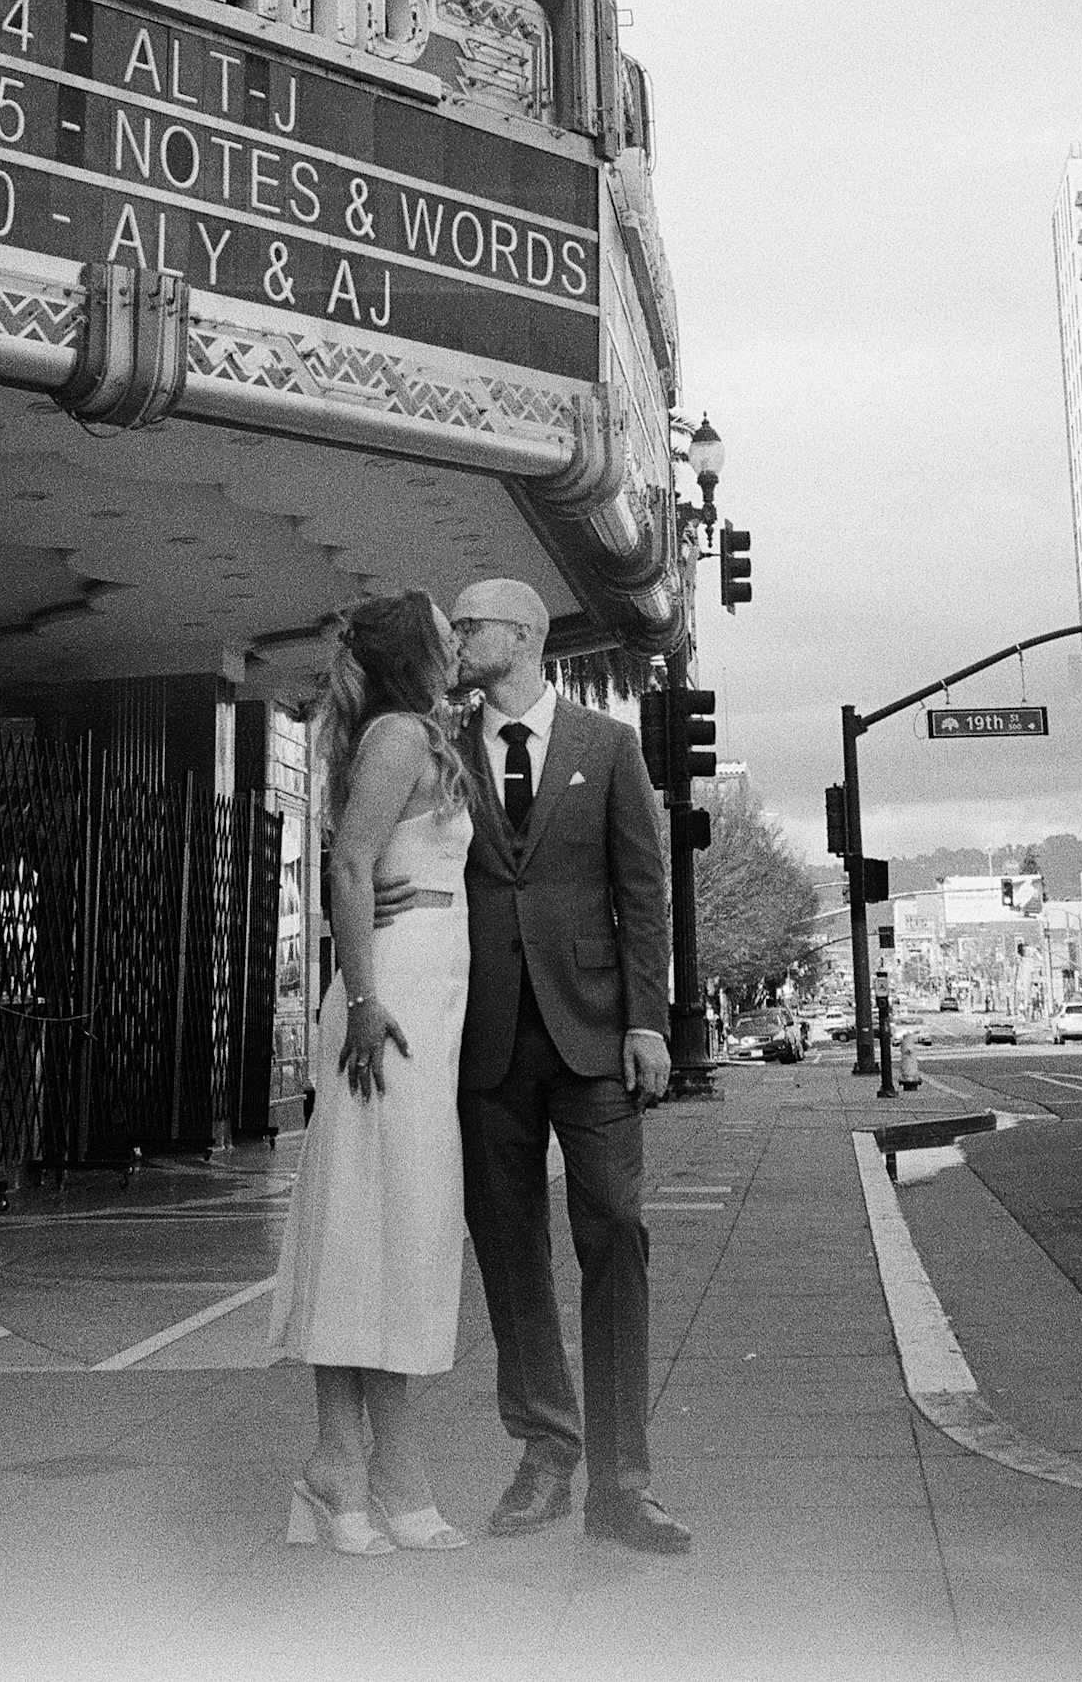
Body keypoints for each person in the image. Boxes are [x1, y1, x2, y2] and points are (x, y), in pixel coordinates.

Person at [447, 576, 691, 1556]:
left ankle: (624, 1484)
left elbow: (643, 889)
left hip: (594, 1035)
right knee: (509, 1248)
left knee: (616, 1231)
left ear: (521, 635)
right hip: (484, 1037)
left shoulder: (608, 744)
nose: (456, 639)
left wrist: (649, 1022)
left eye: (469, 626)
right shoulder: (445, 748)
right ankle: (545, 1451)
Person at [266, 591, 473, 1556]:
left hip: (420, 994)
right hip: (389, 1005)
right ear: (415, 652)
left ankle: (359, 1466)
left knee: (396, 1223)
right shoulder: (398, 735)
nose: (457, 644)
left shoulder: (418, 735)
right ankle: (355, 1467)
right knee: (371, 1223)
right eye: (447, 632)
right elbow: (349, 866)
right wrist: (362, 997)